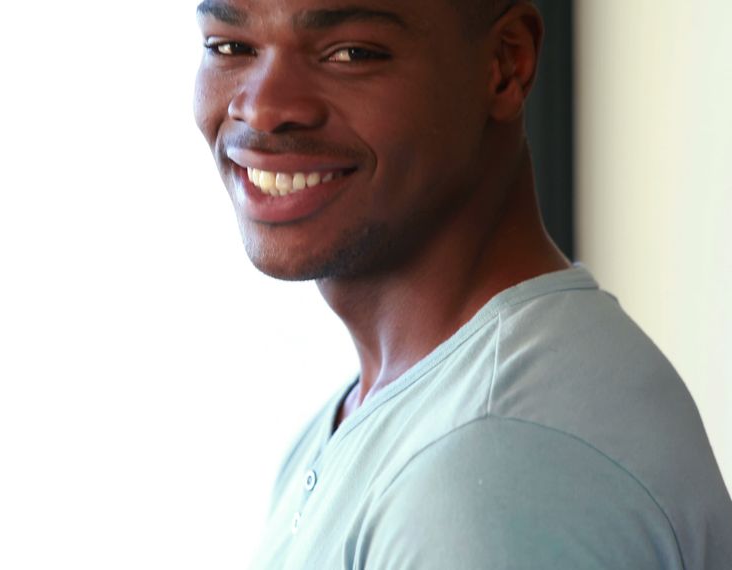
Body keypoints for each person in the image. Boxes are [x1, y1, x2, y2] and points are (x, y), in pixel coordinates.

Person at [192, 0, 732, 567]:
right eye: (230, 47)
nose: (265, 108)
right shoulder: (401, 413)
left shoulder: (491, 465)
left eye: (352, 53)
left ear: (505, 64)